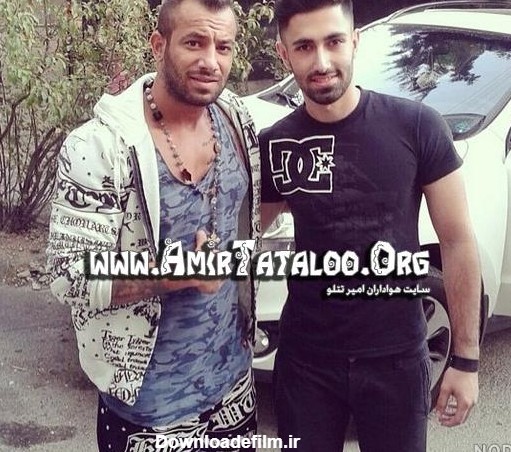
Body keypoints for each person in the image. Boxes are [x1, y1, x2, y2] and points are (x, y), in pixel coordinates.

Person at [259, 0, 481, 451]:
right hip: (306, 364)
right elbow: (241, 237)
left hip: (396, 360)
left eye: (334, 41)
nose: (322, 61)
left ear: (355, 41)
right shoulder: (277, 144)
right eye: (304, 46)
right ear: (284, 54)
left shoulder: (417, 127)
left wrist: (466, 360)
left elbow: (457, 241)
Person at [46, 0, 261, 450]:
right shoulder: (99, 147)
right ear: (158, 45)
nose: (211, 61)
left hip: (235, 385)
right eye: (194, 43)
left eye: (223, 46)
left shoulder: (235, 117)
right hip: (150, 409)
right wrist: (178, 274)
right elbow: (69, 276)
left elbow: (245, 216)